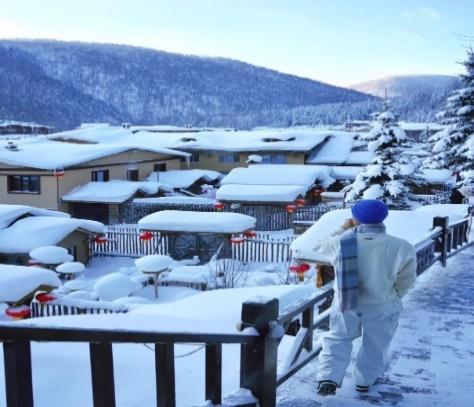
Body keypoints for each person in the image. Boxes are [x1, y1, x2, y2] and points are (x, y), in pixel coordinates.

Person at [312, 199, 417, 396]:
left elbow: (318, 246)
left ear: (355, 218)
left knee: (338, 338)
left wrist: (343, 228)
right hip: (382, 305)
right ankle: (364, 381)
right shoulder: (402, 247)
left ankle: (329, 378)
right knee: (376, 344)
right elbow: (407, 280)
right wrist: (392, 296)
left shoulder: (341, 242)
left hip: (346, 303)